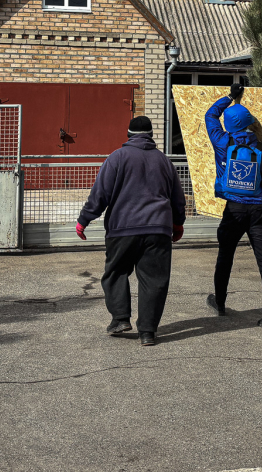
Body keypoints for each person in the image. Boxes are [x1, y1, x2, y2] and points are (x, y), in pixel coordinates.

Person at [76, 115, 186, 346]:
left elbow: (100, 194)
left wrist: (84, 219)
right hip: (158, 228)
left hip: (123, 228)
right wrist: (177, 224)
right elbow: (177, 197)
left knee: (115, 272)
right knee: (154, 280)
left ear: (128, 135)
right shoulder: (164, 161)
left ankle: (120, 318)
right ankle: (147, 332)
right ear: (151, 135)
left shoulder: (117, 158)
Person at [204, 83, 262, 328]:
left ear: (230, 126)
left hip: (234, 211)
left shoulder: (223, 143)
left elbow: (210, 115)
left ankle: (219, 302)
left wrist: (231, 96)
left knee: (225, 257)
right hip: (259, 212)